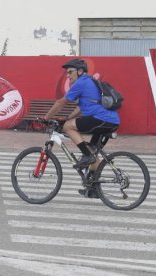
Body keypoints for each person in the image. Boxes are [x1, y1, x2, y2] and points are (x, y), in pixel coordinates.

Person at [43, 58, 120, 198]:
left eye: (70, 72)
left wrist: (46, 117)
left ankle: (87, 156)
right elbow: (80, 108)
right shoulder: (88, 82)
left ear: (80, 71)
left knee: (69, 128)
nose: (68, 75)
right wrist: (68, 119)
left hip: (101, 119)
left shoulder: (81, 82)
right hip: (110, 121)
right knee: (93, 151)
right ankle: (94, 189)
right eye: (67, 73)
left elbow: (61, 102)